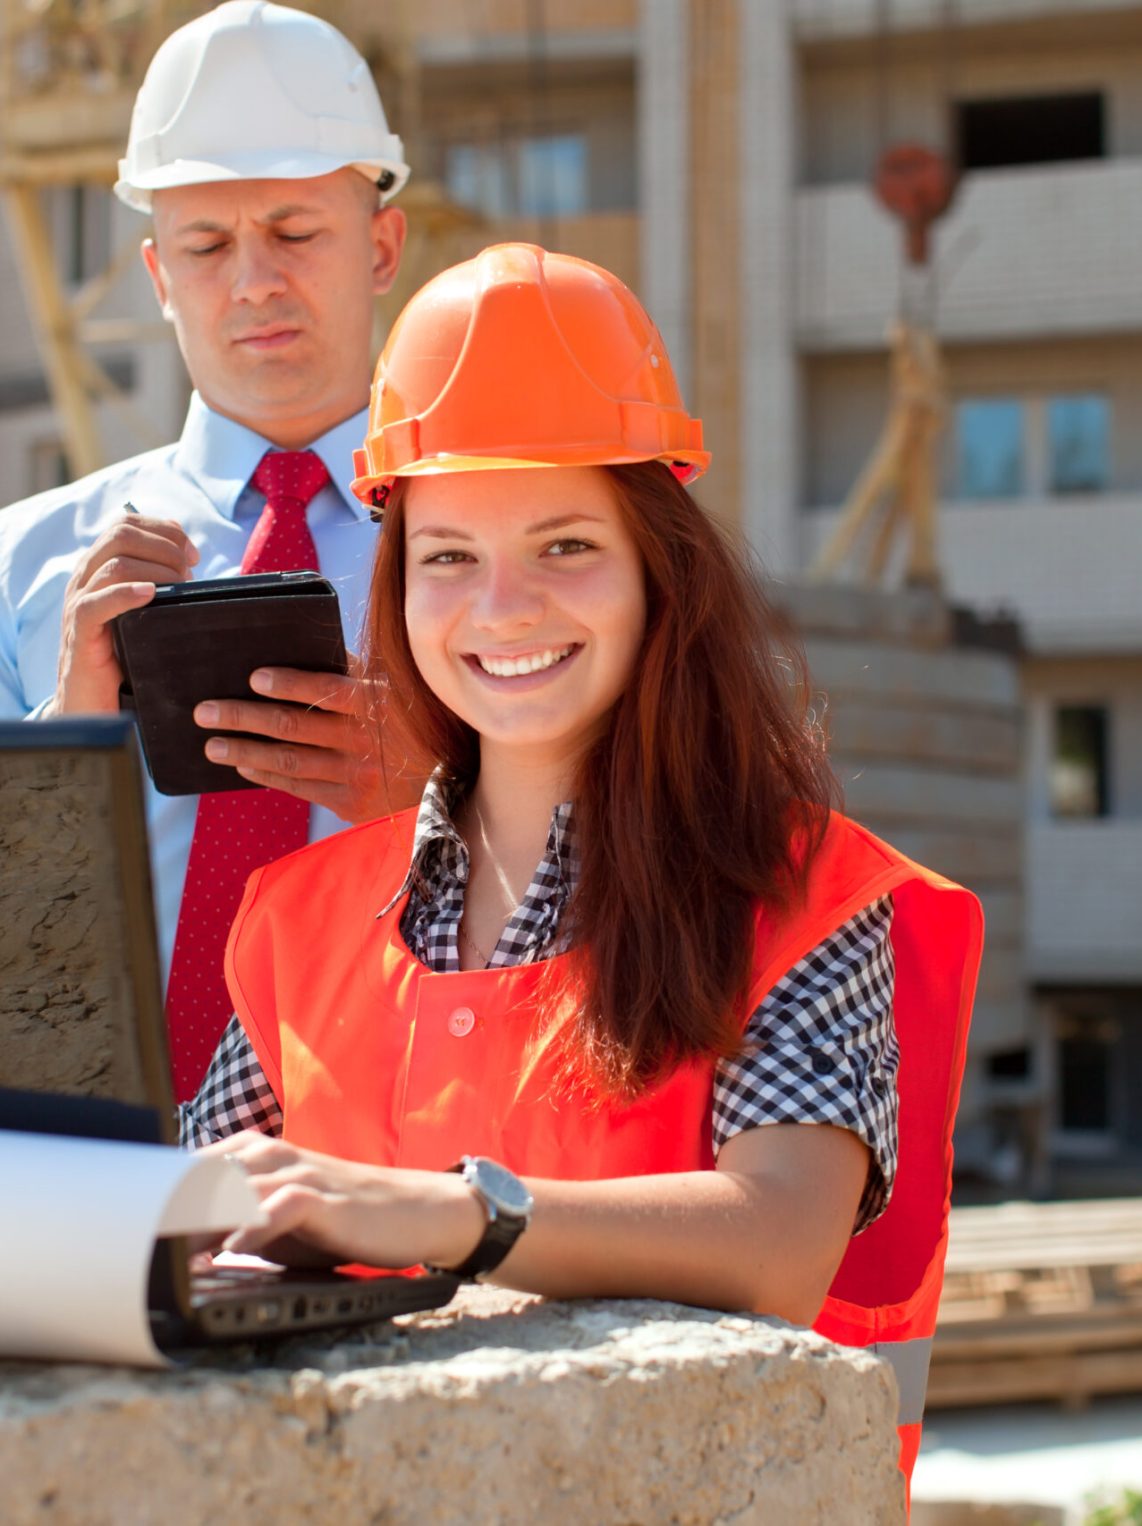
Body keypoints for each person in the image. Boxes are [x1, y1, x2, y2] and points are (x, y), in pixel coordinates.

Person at [185, 242, 982, 1399]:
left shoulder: (801, 895)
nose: (503, 606)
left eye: (565, 544)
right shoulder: (295, 919)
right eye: (448, 555)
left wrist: (445, 1209)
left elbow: (776, 1242)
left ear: (660, 572)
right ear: (397, 589)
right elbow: (198, 1219)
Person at [0, 2, 421, 1099]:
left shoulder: (491, 564)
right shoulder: (24, 566)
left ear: (380, 245)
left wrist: (441, 799)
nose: (252, 282)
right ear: (157, 274)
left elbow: (631, 864)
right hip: (97, 1154)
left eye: (293, 231)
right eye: (206, 245)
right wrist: (69, 738)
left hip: (405, 1159)